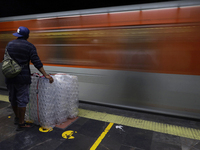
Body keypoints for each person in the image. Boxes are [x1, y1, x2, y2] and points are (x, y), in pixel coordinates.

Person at [4, 26, 54, 131]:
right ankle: (21, 123)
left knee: (13, 98)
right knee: (22, 100)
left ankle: (17, 118)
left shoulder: (10, 44)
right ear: (27, 36)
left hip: (9, 76)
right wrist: (45, 74)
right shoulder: (29, 46)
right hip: (22, 77)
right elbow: (37, 62)